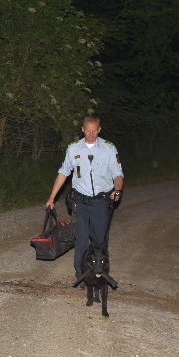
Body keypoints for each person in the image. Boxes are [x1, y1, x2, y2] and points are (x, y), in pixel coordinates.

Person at [46, 115, 124, 278]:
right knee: (81, 240)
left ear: (99, 130)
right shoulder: (73, 149)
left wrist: (117, 190)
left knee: (99, 240)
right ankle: (81, 275)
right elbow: (63, 173)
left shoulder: (109, 149)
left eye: (94, 131)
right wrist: (52, 197)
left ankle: (98, 272)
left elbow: (118, 175)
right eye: (87, 131)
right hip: (80, 201)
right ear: (82, 129)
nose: (90, 134)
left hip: (102, 202)